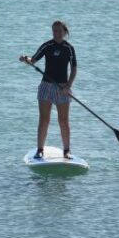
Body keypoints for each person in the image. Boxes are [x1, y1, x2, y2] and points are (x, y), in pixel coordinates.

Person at [19, 20, 77, 160]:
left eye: (59, 31)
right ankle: (40, 150)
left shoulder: (69, 48)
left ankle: (67, 151)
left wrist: (68, 86)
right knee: (44, 120)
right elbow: (34, 59)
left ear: (64, 32)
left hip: (63, 88)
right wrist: (26, 59)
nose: (57, 33)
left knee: (63, 121)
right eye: (54, 31)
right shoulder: (47, 45)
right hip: (46, 87)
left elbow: (74, 68)